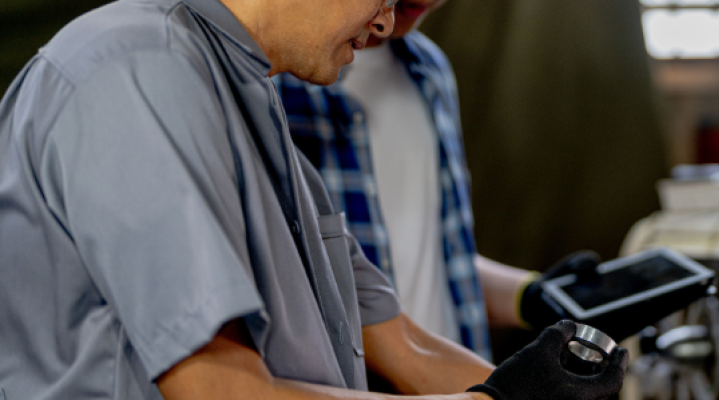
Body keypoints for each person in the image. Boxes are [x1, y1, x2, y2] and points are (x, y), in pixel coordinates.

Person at [0, 0, 628, 397]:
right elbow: (219, 391)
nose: (386, 23)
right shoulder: (137, 66)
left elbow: (399, 343)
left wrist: (542, 388)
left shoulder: (252, 105)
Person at [274, 0, 601, 359]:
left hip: (456, 374)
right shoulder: (276, 79)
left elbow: (436, 258)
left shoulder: (431, 69)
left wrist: (532, 296)